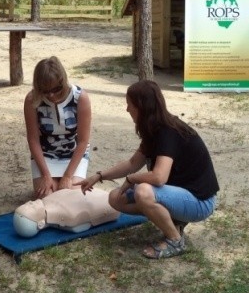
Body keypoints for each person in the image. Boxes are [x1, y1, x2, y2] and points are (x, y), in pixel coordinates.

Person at [81, 80, 219, 259]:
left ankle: (175, 240)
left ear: (141, 107)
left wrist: (132, 179)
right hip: (181, 193)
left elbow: (159, 177)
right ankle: (175, 221)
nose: (127, 109)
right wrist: (99, 176)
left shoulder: (168, 132)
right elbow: (132, 163)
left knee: (143, 191)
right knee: (116, 198)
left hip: (201, 202)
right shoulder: (155, 129)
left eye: (129, 104)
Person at [24, 56, 92, 199]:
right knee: (48, 197)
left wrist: (67, 176)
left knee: (70, 197)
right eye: (45, 91)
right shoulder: (32, 99)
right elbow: (33, 140)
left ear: (63, 80)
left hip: (73, 154)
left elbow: (83, 141)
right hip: (45, 156)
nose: (51, 95)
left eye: (56, 89)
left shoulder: (80, 97)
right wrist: (46, 175)